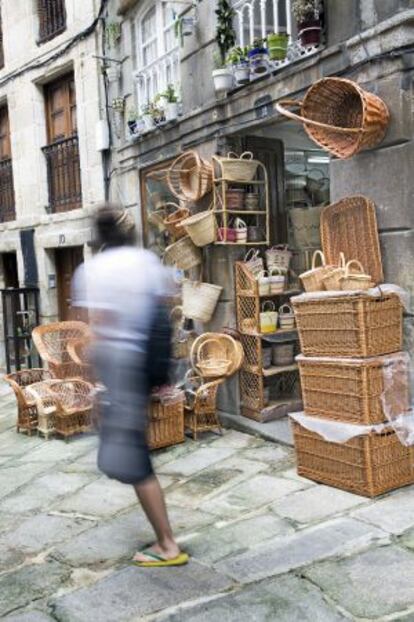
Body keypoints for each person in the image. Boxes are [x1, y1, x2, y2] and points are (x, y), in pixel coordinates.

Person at [72, 203, 188, 568]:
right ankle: (165, 538)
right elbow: (164, 306)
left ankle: (167, 544)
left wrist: (97, 383)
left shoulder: (92, 270)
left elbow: (102, 324)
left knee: (134, 458)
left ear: (99, 235)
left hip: (120, 362)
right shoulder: (146, 261)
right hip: (143, 362)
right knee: (132, 447)